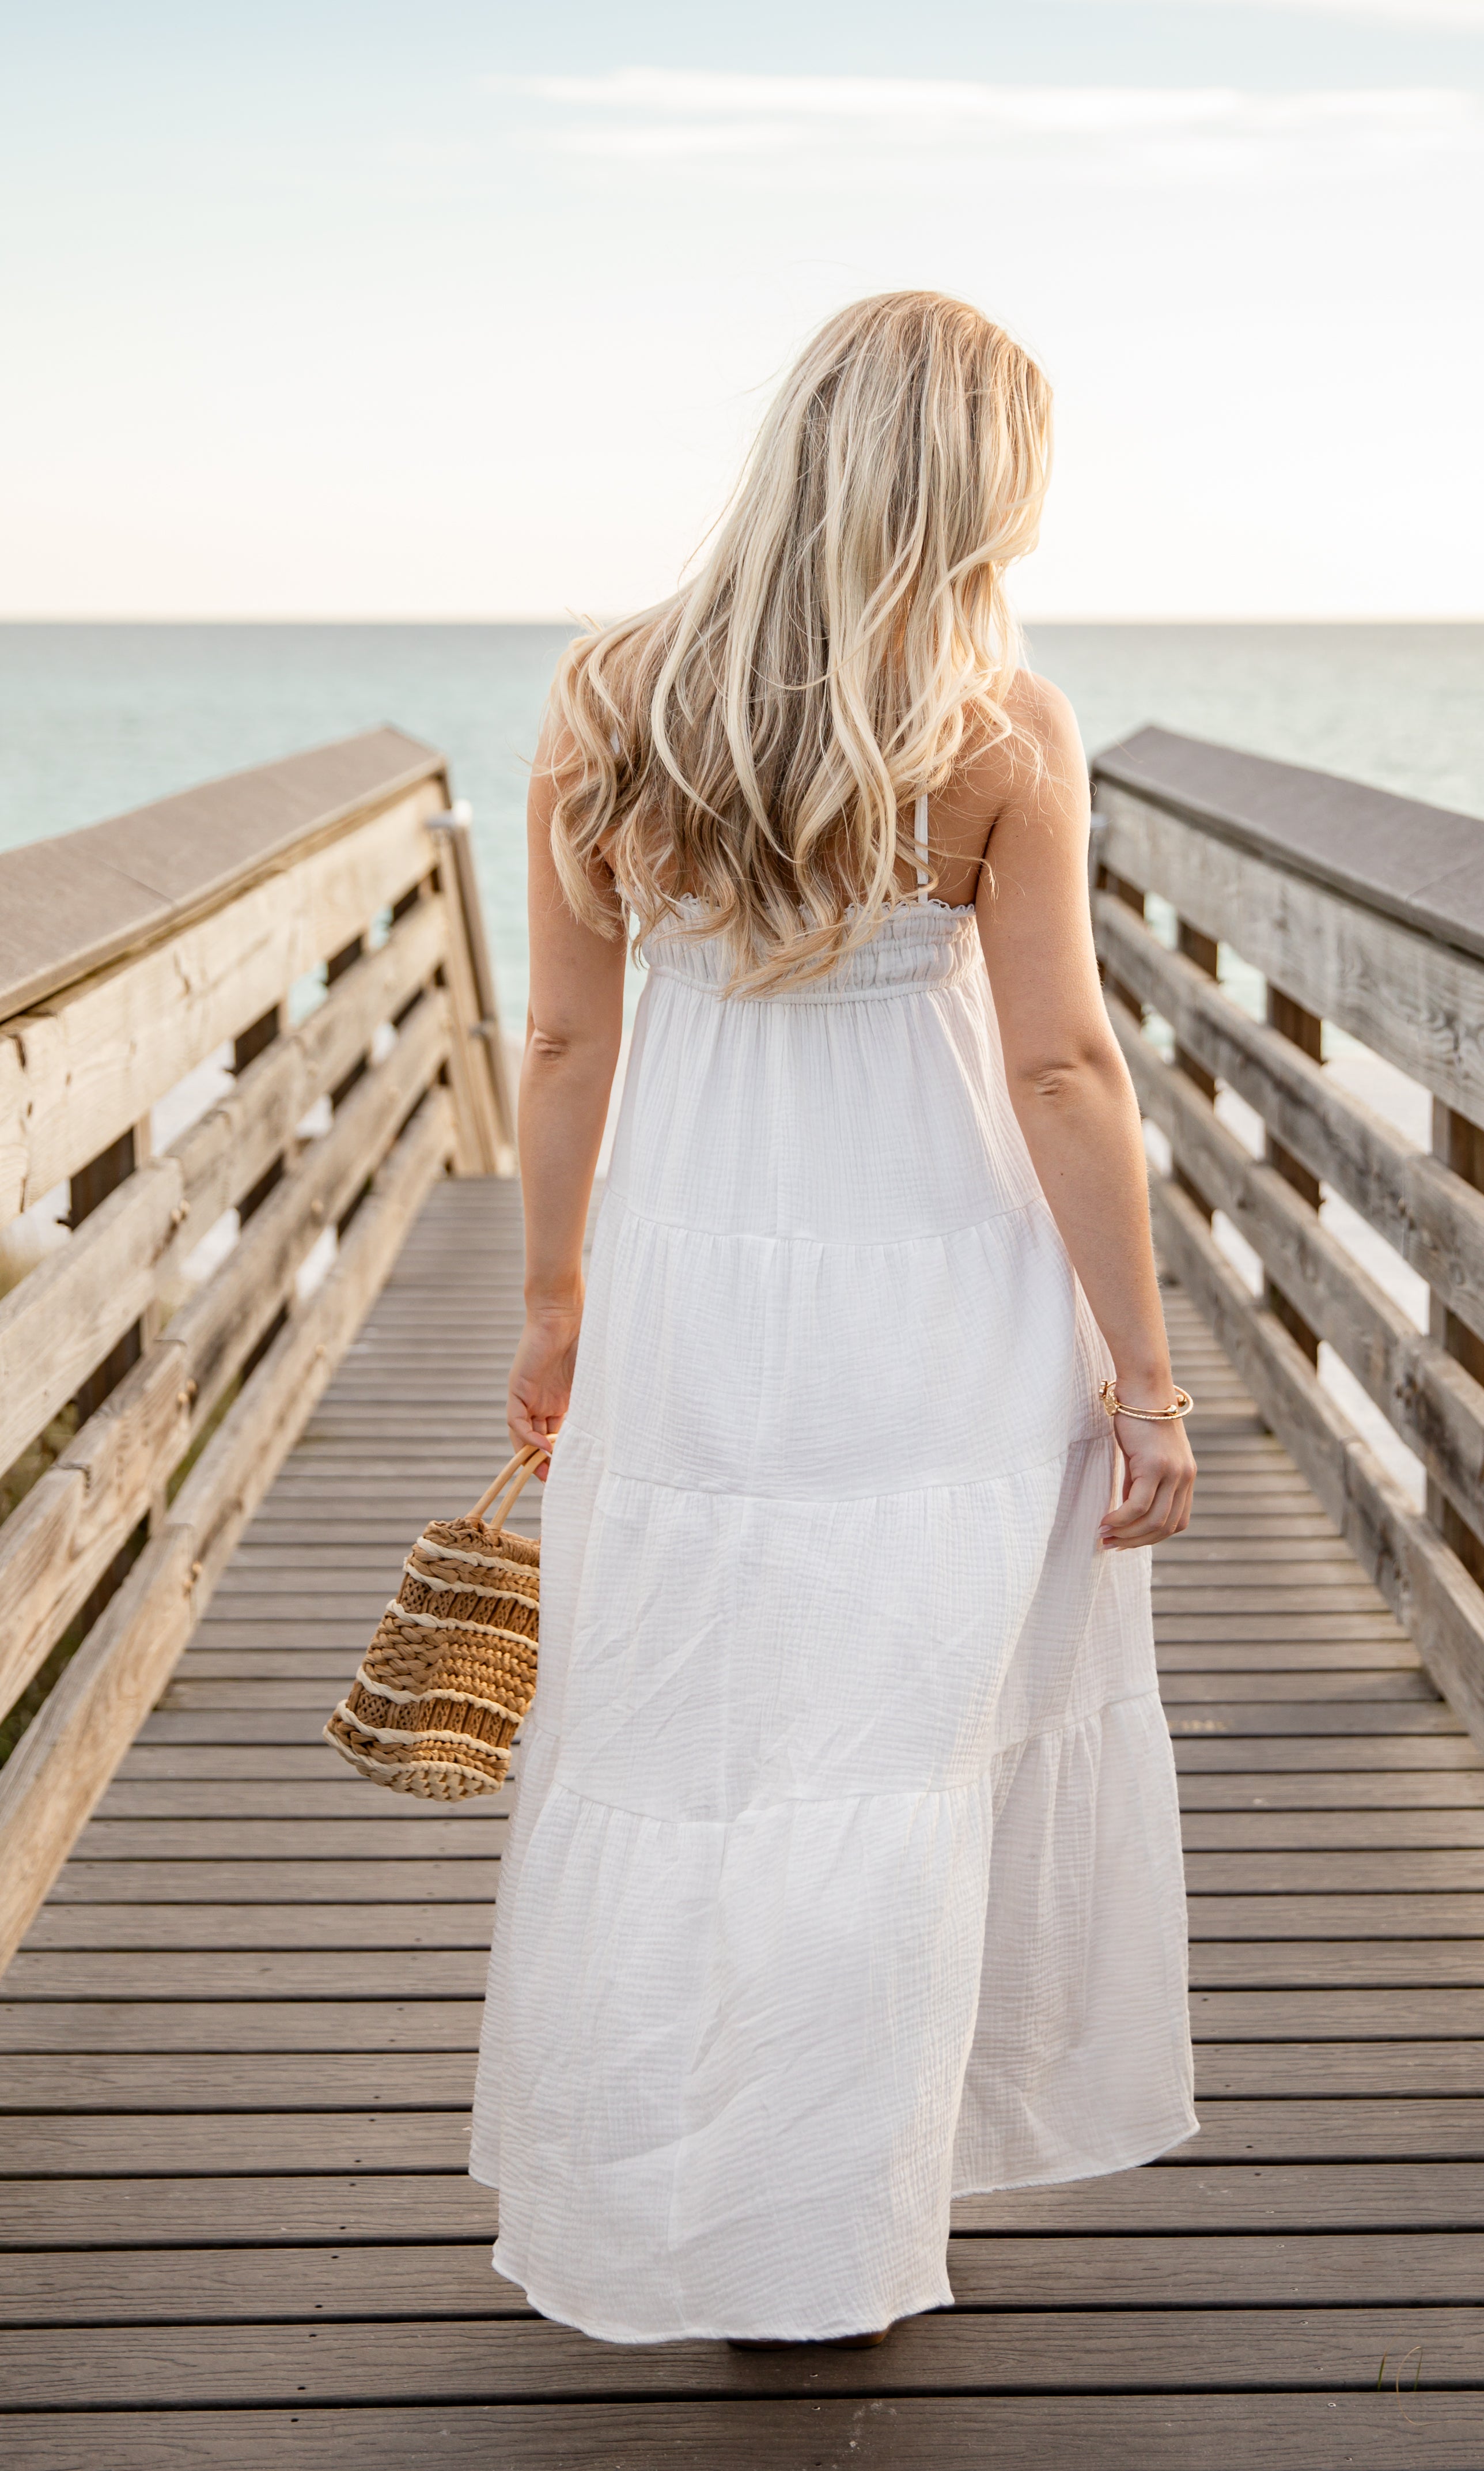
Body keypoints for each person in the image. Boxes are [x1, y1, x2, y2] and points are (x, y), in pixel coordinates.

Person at [471, 289, 1198, 2350]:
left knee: (691, 1740)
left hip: (698, 1285)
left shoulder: (612, 693)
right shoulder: (997, 729)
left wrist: (550, 1301)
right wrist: (1140, 1377)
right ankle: (830, 2239)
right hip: (944, 1296)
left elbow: (556, 1035)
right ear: (973, 486)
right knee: (895, 1755)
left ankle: (709, 2212)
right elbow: (1063, 1071)